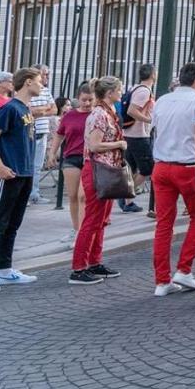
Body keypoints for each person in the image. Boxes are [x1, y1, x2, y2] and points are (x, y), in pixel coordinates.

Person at [150, 62, 195, 296]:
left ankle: (161, 280)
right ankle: (184, 268)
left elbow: (155, 130)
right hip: (187, 166)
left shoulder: (163, 99)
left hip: (162, 166)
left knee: (163, 224)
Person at [71, 76, 128, 285]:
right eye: (119, 89)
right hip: (98, 169)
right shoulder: (99, 115)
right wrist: (119, 144)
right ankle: (79, 267)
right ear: (110, 92)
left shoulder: (107, 112)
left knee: (102, 219)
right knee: (92, 219)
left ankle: (94, 262)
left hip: (107, 169)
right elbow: (94, 145)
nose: (121, 93)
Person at [0, 68, 44, 288]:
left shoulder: (25, 109)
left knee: (13, 223)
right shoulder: (10, 109)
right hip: (10, 172)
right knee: (1, 221)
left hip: (25, 172)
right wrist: (0, 166)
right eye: (38, 81)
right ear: (27, 83)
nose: (42, 85)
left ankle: (5, 269)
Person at [47, 82, 92, 246]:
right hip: (71, 157)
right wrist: (52, 153)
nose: (87, 104)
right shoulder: (69, 116)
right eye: (84, 100)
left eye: (90, 100)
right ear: (78, 99)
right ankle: (76, 229)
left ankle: (83, 232)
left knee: (83, 197)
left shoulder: (96, 114)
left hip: (90, 159)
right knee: (73, 196)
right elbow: (59, 135)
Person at [119, 63, 156, 215]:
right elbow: (132, 111)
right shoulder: (143, 91)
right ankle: (126, 197)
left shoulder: (134, 88)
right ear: (153, 74)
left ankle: (127, 199)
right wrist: (149, 120)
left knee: (132, 168)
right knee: (148, 168)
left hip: (130, 134)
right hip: (139, 135)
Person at [27, 65, 56, 205]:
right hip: (30, 133)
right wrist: (44, 109)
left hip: (43, 131)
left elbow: (54, 109)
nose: (47, 77)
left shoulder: (46, 91)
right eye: (44, 75)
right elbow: (27, 111)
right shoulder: (29, 91)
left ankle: (34, 193)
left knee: (37, 166)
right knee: (27, 164)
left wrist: (39, 111)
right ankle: (25, 194)